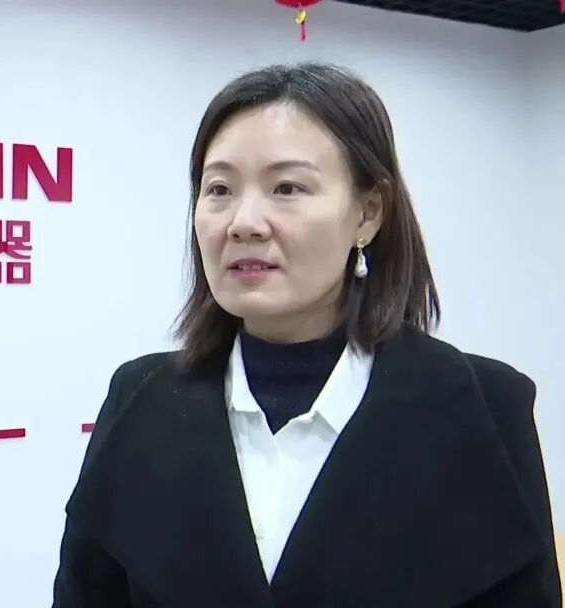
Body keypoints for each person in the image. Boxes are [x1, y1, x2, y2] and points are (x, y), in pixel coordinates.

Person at [51, 62, 561, 607]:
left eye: (287, 188)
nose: (243, 222)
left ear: (368, 212)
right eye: (219, 189)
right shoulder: (139, 399)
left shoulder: (487, 408)